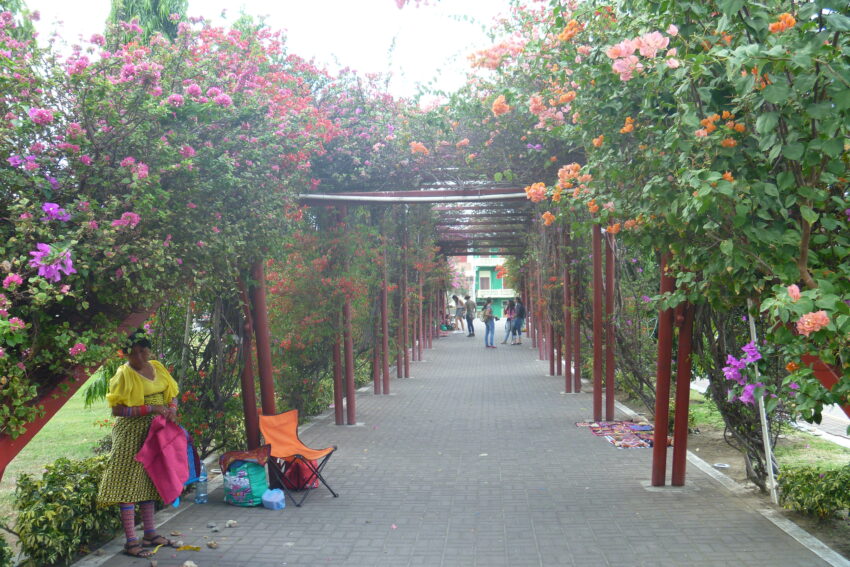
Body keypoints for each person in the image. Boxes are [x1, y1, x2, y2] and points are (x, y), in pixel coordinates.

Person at [97, 331, 181, 559]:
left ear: (149, 350)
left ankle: (150, 534)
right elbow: (117, 410)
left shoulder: (158, 367)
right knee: (127, 484)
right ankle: (131, 541)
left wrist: (171, 409)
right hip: (131, 435)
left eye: (143, 351)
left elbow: (172, 393)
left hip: (156, 432)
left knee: (149, 480)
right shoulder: (123, 374)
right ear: (125, 354)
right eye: (133, 353)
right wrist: (151, 409)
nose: (139, 357)